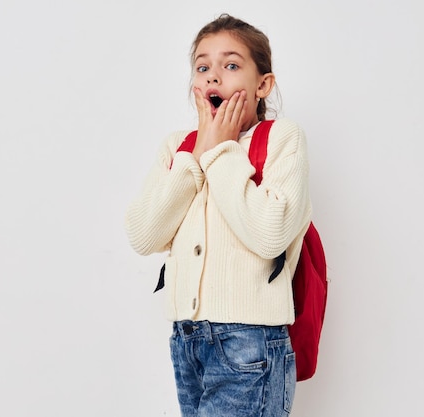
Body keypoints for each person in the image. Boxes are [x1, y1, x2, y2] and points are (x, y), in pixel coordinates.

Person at [125, 13, 312, 417]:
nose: (214, 77)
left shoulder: (281, 138)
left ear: (262, 84)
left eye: (231, 65)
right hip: (186, 340)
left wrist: (220, 151)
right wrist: (197, 156)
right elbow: (143, 235)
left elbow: (269, 233)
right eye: (203, 67)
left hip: (249, 343)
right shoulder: (178, 146)